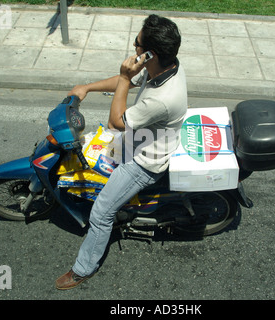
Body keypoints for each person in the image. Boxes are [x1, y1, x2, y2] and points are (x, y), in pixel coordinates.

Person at [55, 14, 187, 290]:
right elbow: (126, 83)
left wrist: (127, 76)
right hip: (138, 137)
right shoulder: (166, 67)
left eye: (137, 44)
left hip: (143, 162)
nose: (134, 49)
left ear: (149, 54)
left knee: (101, 213)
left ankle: (83, 268)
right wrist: (87, 87)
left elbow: (118, 120)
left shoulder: (162, 98)